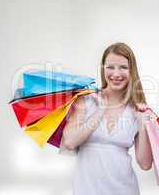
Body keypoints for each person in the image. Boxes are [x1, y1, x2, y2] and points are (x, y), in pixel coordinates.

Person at [61, 42, 153, 195]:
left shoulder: (137, 108)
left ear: (132, 71)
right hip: (87, 190)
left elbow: (145, 164)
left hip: (125, 189)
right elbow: (70, 141)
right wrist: (101, 110)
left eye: (123, 67)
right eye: (110, 67)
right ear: (103, 68)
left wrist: (143, 125)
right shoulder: (87, 100)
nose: (116, 74)